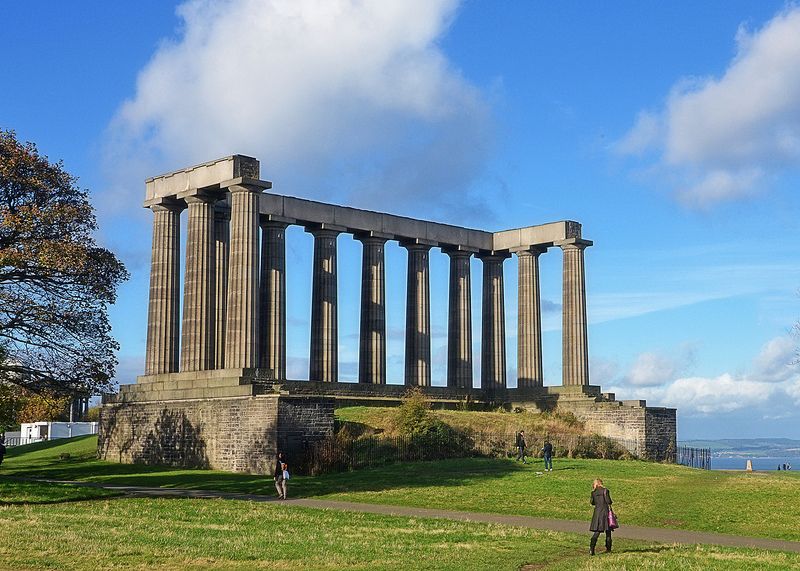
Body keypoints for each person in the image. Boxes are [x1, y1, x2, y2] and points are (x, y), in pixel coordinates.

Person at [589, 478, 614, 555]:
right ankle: (608, 548)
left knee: (597, 531)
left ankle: (592, 548)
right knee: (608, 531)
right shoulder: (605, 490)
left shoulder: (593, 492)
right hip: (605, 512)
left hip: (597, 513)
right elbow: (608, 501)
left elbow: (592, 502)